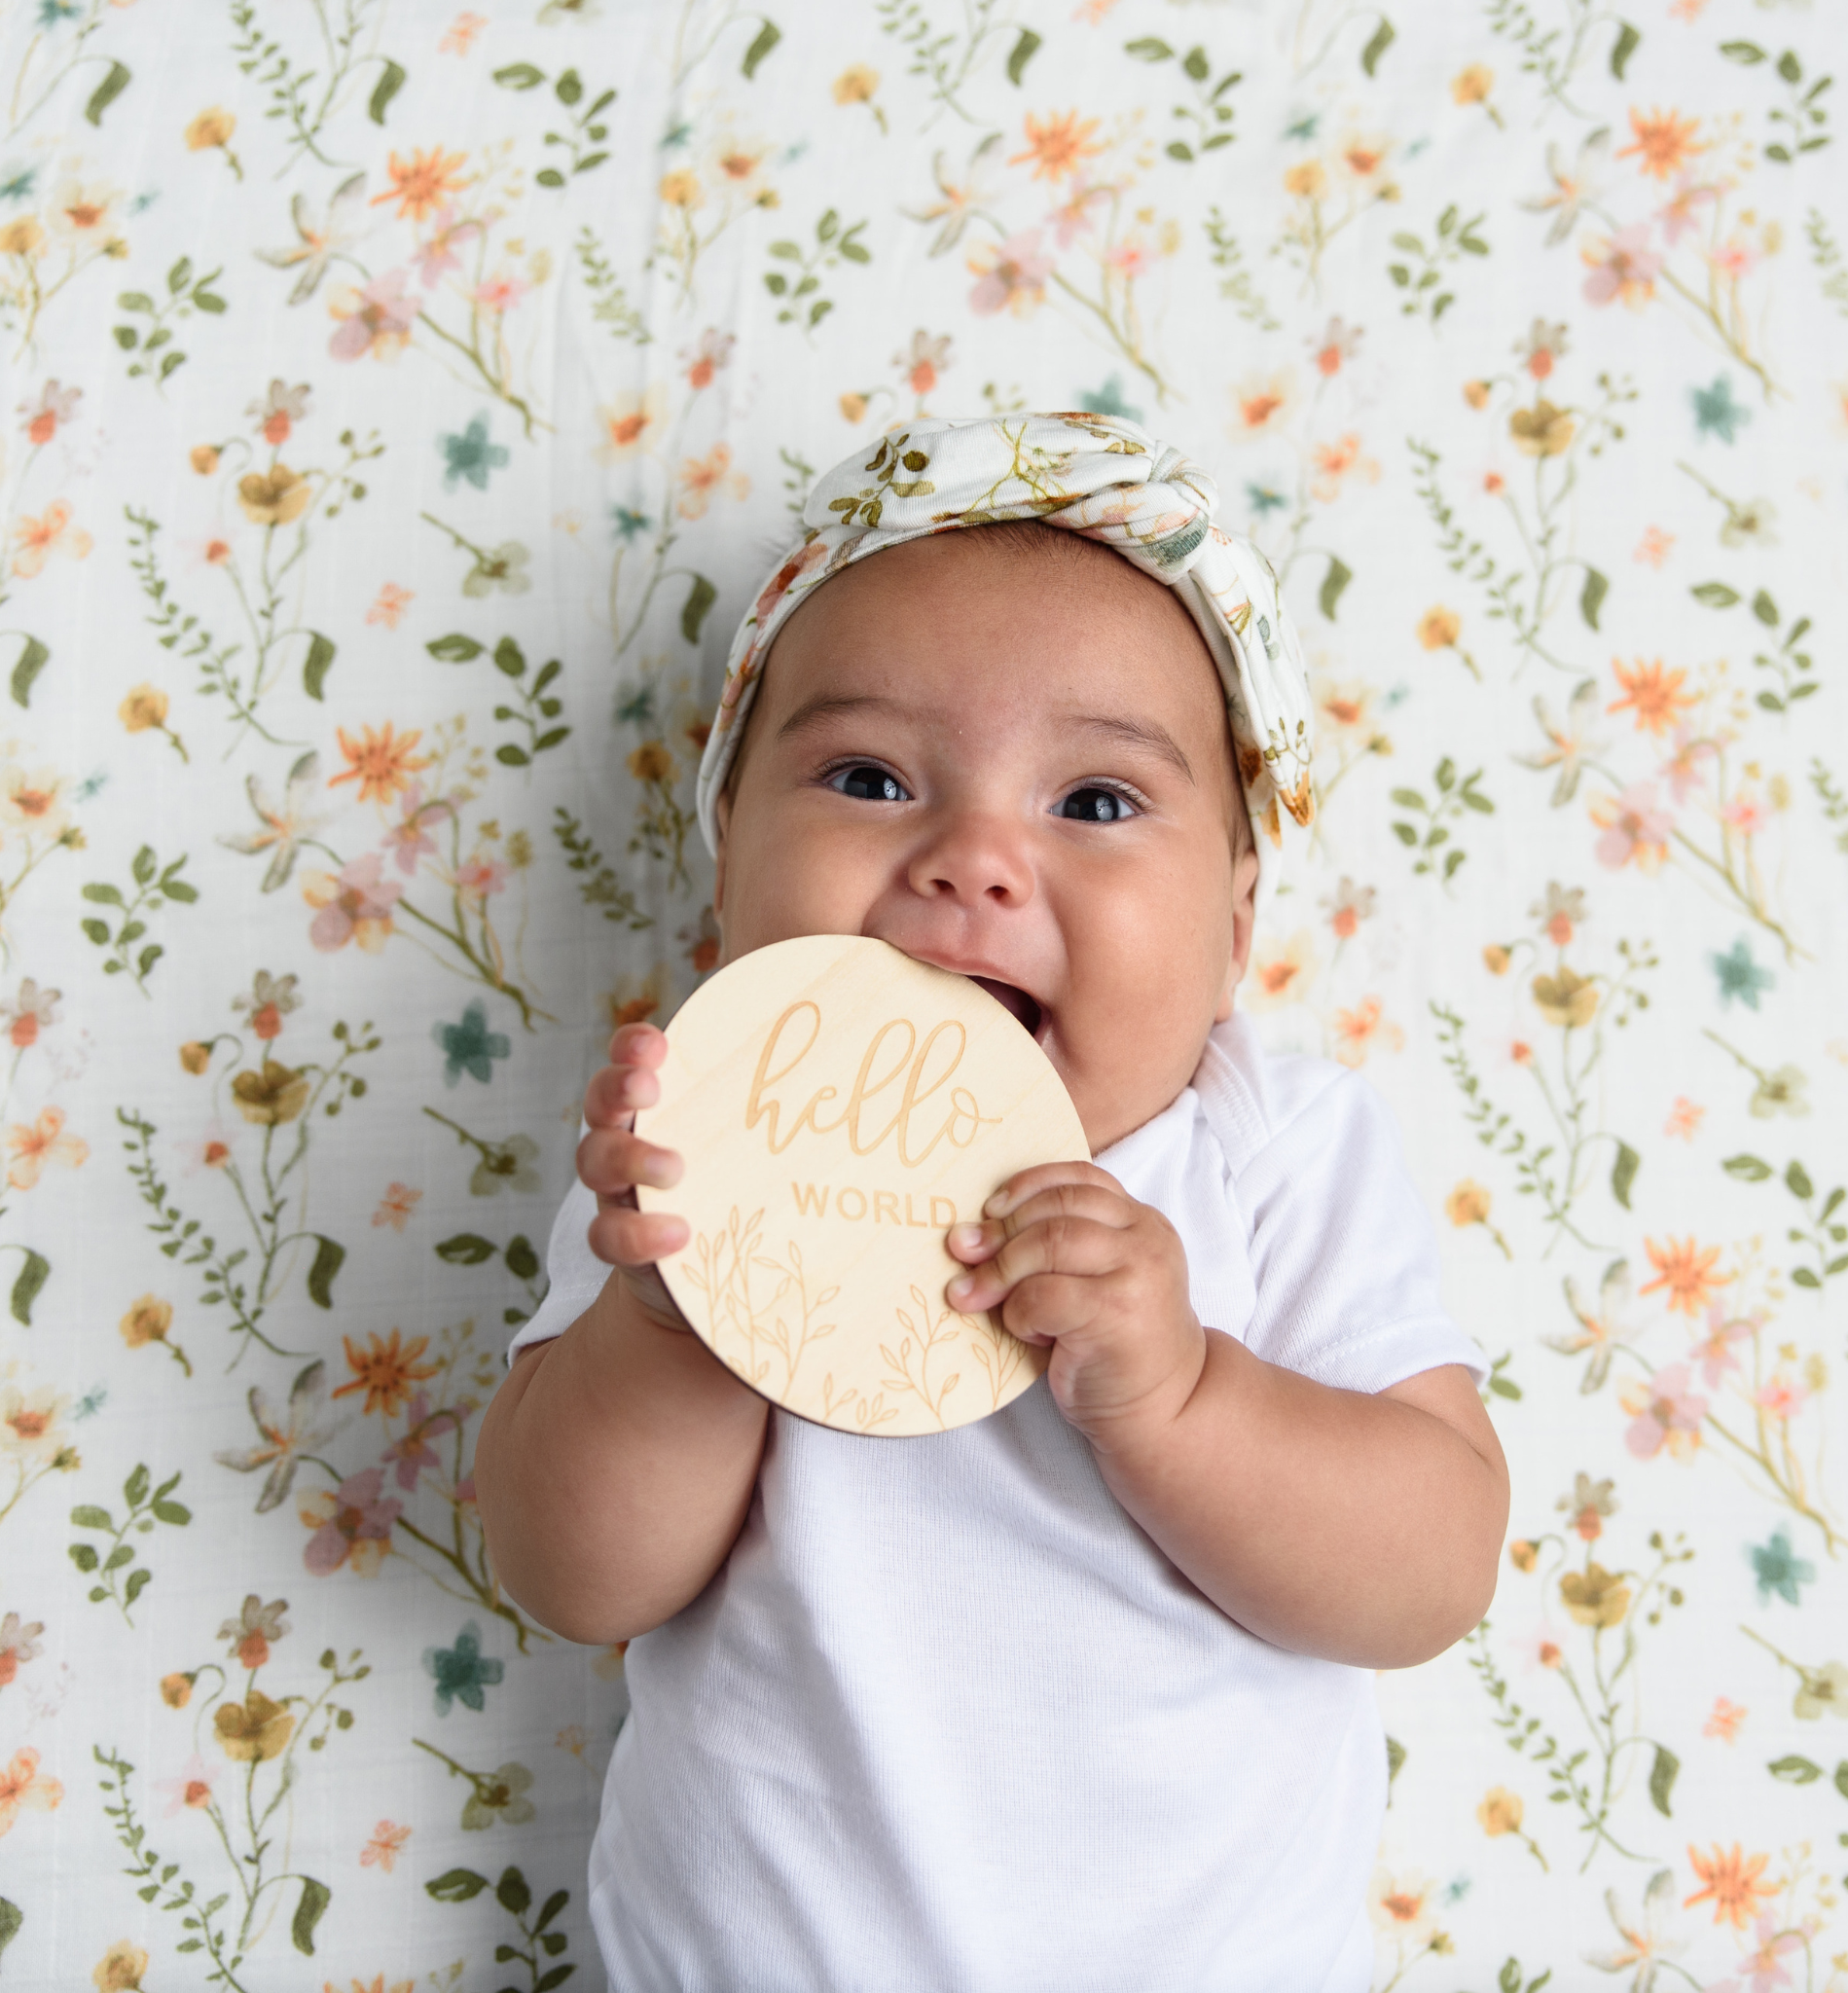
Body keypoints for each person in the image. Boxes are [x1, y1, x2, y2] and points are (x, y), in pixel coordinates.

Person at [476, 412, 1509, 1992]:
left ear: (1238, 926)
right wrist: (673, 1326)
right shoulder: (696, 1154)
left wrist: (1180, 1395)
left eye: (1094, 802)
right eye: (871, 776)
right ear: (722, 882)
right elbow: (570, 1575)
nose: (973, 860)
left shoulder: (1268, 1150)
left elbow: (1431, 1568)